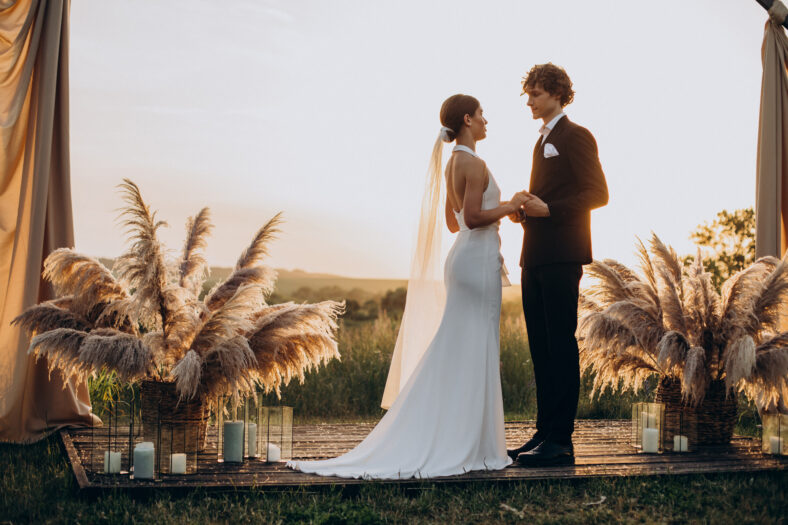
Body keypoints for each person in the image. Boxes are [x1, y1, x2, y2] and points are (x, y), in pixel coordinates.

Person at [286, 94, 528, 479]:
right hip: (476, 263)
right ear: (467, 119)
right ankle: (473, 443)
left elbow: (454, 224)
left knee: (459, 346)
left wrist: (495, 213)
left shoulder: (452, 164)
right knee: (475, 346)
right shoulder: (475, 163)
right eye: (482, 114)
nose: (486, 121)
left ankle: (460, 434)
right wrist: (512, 204)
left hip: (462, 259)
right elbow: (473, 216)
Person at [507, 63, 609, 467]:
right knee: (540, 348)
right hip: (533, 255)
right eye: (528, 95)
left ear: (556, 93)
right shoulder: (541, 141)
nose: (529, 102)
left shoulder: (576, 135)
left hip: (563, 255)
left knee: (561, 347)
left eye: (534, 94)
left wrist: (549, 209)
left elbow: (598, 193)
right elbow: (547, 197)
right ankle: (543, 432)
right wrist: (526, 210)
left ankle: (562, 441)